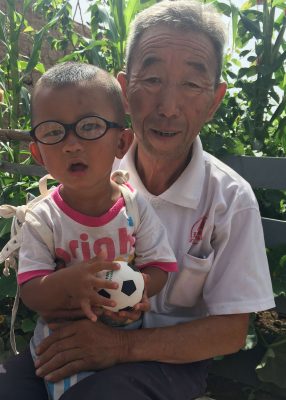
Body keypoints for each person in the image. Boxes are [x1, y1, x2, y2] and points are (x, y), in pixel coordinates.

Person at [0, 1, 275, 399]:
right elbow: (40, 283)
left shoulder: (229, 199)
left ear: (214, 101)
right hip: (75, 334)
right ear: (125, 91)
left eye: (192, 85)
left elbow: (231, 332)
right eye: (151, 80)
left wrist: (121, 347)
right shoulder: (88, 172)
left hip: (168, 359)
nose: (168, 107)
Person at [15, 61, 177, 400]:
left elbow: (161, 265)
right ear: (38, 153)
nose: (71, 144)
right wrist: (68, 283)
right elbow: (31, 292)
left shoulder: (135, 207)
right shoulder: (41, 218)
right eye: (53, 132)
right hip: (64, 343)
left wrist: (138, 290)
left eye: (89, 127)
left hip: (126, 337)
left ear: (122, 143)